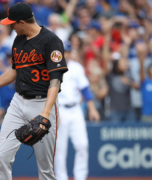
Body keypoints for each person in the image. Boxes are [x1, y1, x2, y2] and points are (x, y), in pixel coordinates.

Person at [0, 3, 68, 180]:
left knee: (45, 168)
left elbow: (55, 80)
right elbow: (15, 70)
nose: (10, 27)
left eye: (12, 23)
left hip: (42, 103)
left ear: (22, 22)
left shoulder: (51, 41)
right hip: (18, 102)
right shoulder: (18, 39)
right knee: (1, 156)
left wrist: (45, 114)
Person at [54, 42, 100, 180]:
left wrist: (92, 109)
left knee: (82, 144)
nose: (65, 54)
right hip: (60, 109)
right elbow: (48, 93)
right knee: (60, 149)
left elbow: (85, 89)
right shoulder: (50, 68)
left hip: (75, 109)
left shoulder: (76, 67)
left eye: (67, 51)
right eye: (63, 51)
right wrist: (54, 111)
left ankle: (80, 176)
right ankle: (61, 178)